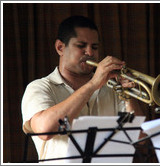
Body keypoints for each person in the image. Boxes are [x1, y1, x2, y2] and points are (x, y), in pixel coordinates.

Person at [21, 15, 143, 162]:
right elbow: (45, 130)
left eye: (95, 47)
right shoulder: (39, 87)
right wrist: (93, 84)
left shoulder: (113, 88)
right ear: (60, 48)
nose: (90, 53)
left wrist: (128, 95)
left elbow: (140, 138)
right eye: (81, 46)